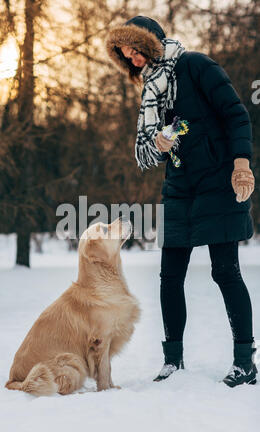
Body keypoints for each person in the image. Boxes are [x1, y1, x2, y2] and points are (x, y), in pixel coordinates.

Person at [105, 15, 257, 387]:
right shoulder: (151, 91)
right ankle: (172, 360)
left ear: (151, 43)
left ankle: (244, 361)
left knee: (225, 271)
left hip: (218, 181)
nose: (133, 60)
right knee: (169, 276)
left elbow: (236, 115)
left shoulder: (195, 66)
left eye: (135, 51)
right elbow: (162, 140)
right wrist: (158, 143)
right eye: (125, 55)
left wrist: (241, 165)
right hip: (179, 187)